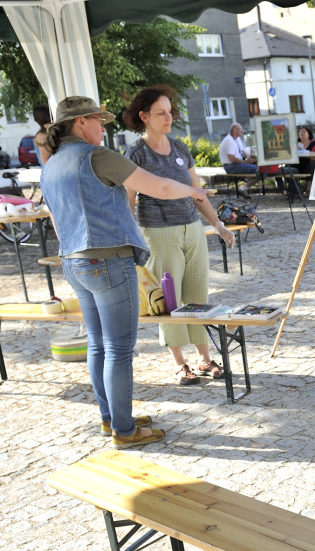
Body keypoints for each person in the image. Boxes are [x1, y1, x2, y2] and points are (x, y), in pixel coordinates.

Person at [41, 96, 209, 448]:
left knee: (99, 344)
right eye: (98, 121)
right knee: (118, 348)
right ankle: (124, 429)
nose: (104, 127)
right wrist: (194, 190)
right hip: (107, 259)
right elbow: (160, 187)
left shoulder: (51, 163)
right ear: (80, 122)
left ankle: (111, 418)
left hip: (74, 260)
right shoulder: (95, 156)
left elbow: (56, 219)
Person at [122, 85, 237, 387]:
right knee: (171, 300)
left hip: (192, 230)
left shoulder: (180, 149)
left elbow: (198, 194)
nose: (168, 117)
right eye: (161, 113)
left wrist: (218, 225)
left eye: (170, 111)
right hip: (159, 234)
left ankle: (204, 358)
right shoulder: (135, 153)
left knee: (198, 296)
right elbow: (128, 202)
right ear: (144, 116)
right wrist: (131, 240)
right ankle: (179, 363)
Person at [219, 122, 256, 198]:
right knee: (258, 170)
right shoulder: (229, 141)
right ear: (234, 130)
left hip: (236, 164)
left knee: (259, 169)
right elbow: (232, 158)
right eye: (240, 129)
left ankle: (244, 185)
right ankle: (244, 187)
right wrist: (245, 163)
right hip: (230, 166)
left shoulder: (237, 139)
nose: (242, 131)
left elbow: (242, 151)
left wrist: (248, 157)